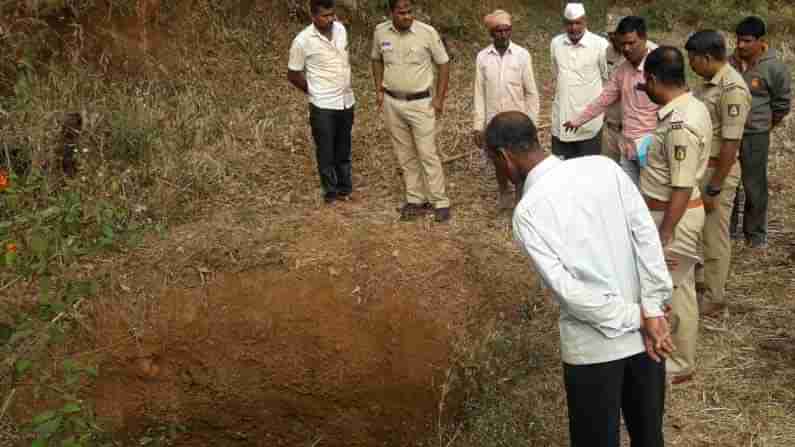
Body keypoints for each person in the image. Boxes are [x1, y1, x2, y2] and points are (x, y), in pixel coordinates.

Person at [485, 111, 673, 447]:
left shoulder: (527, 214)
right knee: (649, 437)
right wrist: (652, 308)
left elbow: (570, 293)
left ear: (504, 156)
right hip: (647, 338)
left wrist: (639, 316)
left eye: (494, 164)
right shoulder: (604, 167)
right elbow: (646, 236)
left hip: (593, 351)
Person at [641, 46, 712, 385]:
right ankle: (670, 349)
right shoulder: (691, 106)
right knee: (671, 286)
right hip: (674, 213)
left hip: (675, 216)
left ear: (653, 80)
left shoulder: (679, 124)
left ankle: (680, 362)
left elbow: (681, 186)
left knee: (678, 288)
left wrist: (665, 232)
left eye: (646, 84)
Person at [685, 30, 752, 317]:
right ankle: (702, 284)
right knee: (698, 230)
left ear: (707, 58)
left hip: (717, 170)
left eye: (693, 60)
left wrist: (714, 186)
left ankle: (714, 297)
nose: (691, 65)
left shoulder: (732, 88)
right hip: (703, 166)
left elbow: (731, 142)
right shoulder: (708, 83)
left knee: (714, 235)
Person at [371, 0, 452, 222]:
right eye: (401, 13)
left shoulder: (427, 33)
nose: (407, 16)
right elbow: (376, 60)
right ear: (391, 13)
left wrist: (439, 98)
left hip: (421, 103)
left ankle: (440, 201)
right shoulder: (380, 32)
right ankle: (415, 199)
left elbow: (443, 64)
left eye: (409, 12)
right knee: (404, 154)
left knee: (427, 153)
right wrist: (378, 89)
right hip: (392, 102)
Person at [564, 16, 658, 185]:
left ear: (644, 39)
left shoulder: (660, 66)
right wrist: (578, 120)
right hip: (628, 147)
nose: (626, 49)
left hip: (652, 148)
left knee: (650, 197)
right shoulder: (622, 71)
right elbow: (604, 99)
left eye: (631, 43)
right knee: (626, 194)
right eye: (623, 44)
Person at [728, 16, 791, 249]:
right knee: (727, 183)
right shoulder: (729, 63)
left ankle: (755, 236)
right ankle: (727, 232)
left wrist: (764, 125)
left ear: (760, 41)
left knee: (754, 185)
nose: (741, 45)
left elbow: (782, 104)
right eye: (738, 40)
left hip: (756, 135)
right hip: (728, 135)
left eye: (746, 41)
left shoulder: (774, 67)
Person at [287, 0, 355, 204]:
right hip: (322, 104)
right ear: (313, 17)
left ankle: (345, 189)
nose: (330, 19)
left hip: (346, 100)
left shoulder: (341, 30)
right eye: (325, 16)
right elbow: (293, 73)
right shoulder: (302, 40)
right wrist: (314, 91)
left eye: (332, 14)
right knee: (326, 150)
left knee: (343, 147)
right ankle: (331, 193)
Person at [472, 9, 540, 210]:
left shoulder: (522, 55)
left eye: (506, 30)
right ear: (491, 33)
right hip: (494, 122)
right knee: (499, 162)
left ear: (510, 31)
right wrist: (478, 125)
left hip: (518, 123)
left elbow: (531, 92)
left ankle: (522, 200)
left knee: (521, 163)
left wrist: (531, 123)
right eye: (498, 31)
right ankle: (504, 194)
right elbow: (479, 93)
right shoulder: (482, 57)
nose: (502, 35)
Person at [549, 2, 609, 160]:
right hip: (562, 118)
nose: (574, 28)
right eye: (569, 23)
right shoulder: (556, 43)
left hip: (589, 122)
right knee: (562, 169)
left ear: (585, 21)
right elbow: (556, 75)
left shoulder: (600, 45)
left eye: (578, 23)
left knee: (587, 170)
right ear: (563, 23)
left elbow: (608, 80)